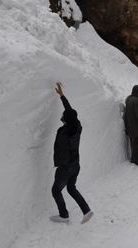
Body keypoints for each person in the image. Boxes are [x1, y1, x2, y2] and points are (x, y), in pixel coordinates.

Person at [50, 82, 93, 224]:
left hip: (66, 167)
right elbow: (70, 112)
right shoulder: (77, 126)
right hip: (76, 165)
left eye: (63, 117)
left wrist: (60, 167)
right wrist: (62, 96)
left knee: (56, 191)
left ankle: (64, 215)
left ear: (66, 120)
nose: (62, 117)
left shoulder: (64, 133)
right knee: (71, 188)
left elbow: (61, 151)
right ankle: (86, 211)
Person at [124, 85, 138, 166]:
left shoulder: (128, 99)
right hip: (135, 125)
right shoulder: (137, 100)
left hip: (129, 124)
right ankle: (135, 159)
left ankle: (134, 157)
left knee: (133, 143)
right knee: (136, 143)